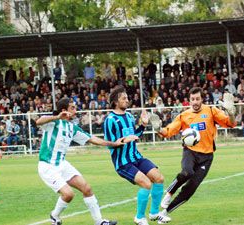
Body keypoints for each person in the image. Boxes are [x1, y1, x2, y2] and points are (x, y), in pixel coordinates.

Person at [36, 97, 127, 225]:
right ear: (64, 110)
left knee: (87, 188)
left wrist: (114, 144)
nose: (75, 110)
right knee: (68, 194)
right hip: (47, 166)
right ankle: (54, 215)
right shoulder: (53, 123)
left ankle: (99, 222)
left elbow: (92, 139)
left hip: (62, 164)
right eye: (72, 108)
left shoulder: (72, 128)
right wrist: (57, 117)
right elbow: (38, 121)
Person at [157, 87, 236, 221]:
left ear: (202, 99)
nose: (195, 102)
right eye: (193, 99)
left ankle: (165, 213)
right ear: (189, 100)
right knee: (187, 172)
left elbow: (231, 123)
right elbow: (169, 131)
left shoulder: (211, 111)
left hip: (207, 157)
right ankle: (169, 192)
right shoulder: (184, 116)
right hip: (190, 151)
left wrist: (231, 112)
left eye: (197, 99)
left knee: (190, 188)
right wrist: (158, 128)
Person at [103, 85, 171, 225]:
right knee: (146, 183)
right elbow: (108, 144)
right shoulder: (110, 120)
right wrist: (122, 141)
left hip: (136, 157)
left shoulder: (128, 116)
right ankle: (139, 217)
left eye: (127, 97)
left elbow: (135, 136)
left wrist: (143, 125)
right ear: (116, 102)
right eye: (124, 98)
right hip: (123, 163)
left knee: (159, 178)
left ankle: (154, 214)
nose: (127, 100)